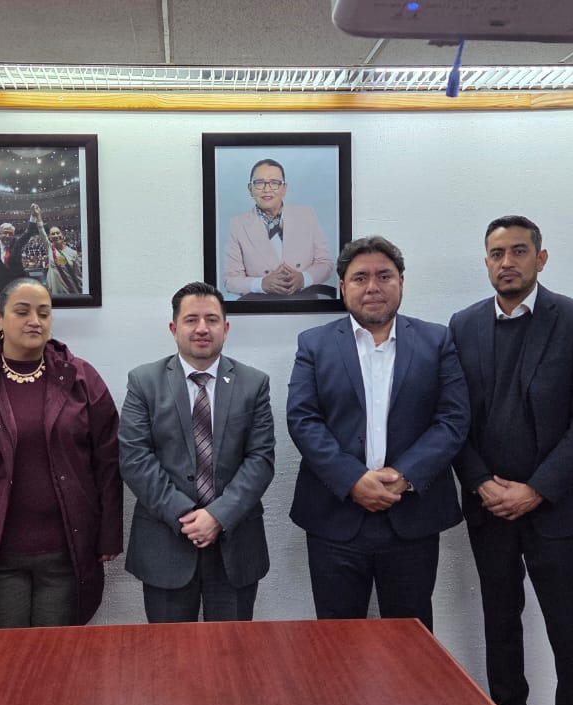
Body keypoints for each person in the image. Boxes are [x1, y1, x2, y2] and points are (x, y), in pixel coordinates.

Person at [448, 215, 573, 705]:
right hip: (490, 509)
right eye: (497, 254)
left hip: (562, 509)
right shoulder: (463, 326)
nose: (508, 262)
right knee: (500, 627)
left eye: (519, 251)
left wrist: (536, 489)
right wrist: (480, 482)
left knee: (569, 632)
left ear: (541, 258)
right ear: (486, 263)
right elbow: (454, 418)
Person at [286, 236, 469, 630]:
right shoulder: (314, 344)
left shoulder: (437, 340)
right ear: (342, 286)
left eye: (384, 276)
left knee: (411, 640)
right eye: (360, 278)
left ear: (401, 281)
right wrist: (353, 480)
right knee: (336, 638)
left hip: (412, 515)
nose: (372, 287)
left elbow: (452, 419)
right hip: (335, 516)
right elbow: (303, 419)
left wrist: (404, 476)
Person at [0, 276, 122, 630]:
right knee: (5, 658)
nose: (35, 321)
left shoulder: (80, 378)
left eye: (44, 313)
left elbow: (107, 463)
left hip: (65, 553)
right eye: (22, 311)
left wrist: (108, 535)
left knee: (55, 655)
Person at [119, 281, 275, 622]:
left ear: (225, 328)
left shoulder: (254, 383)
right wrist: (187, 516)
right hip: (166, 542)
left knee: (232, 649)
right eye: (191, 319)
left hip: (235, 541)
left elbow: (260, 460)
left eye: (212, 319)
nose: (202, 328)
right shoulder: (144, 382)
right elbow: (135, 459)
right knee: (169, 651)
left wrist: (217, 516)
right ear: (174, 328)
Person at [223, 158, 334, 299]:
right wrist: (261, 284)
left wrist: (304, 278)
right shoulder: (237, 225)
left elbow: (325, 264)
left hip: (304, 303)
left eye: (274, 183)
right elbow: (230, 280)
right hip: (259, 305)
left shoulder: (307, 215)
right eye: (259, 183)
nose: (267, 189)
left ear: (284, 188)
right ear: (250, 189)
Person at [0, 203, 46, 296]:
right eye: (5, 233)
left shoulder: (16, 244)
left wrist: (33, 215)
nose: (7, 236)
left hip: (14, 289)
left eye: (10, 234)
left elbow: (28, 232)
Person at [45, 224, 82, 295]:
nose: (56, 235)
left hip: (71, 292)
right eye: (53, 234)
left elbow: (78, 276)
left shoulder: (73, 253)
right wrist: (38, 219)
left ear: (62, 234)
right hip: (55, 293)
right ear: (49, 237)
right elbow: (41, 232)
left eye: (58, 233)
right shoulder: (50, 249)